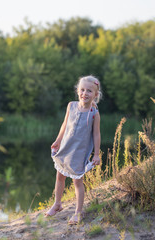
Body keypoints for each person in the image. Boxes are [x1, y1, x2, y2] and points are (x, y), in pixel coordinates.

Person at [45, 75, 102, 225]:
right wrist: (57, 141)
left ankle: (78, 212)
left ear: (95, 95)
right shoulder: (71, 105)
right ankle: (57, 204)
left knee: (77, 181)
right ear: (78, 91)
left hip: (79, 151)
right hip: (66, 146)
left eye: (89, 91)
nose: (85, 93)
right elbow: (64, 125)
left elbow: (96, 134)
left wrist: (96, 154)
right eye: (82, 90)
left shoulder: (94, 114)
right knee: (59, 177)